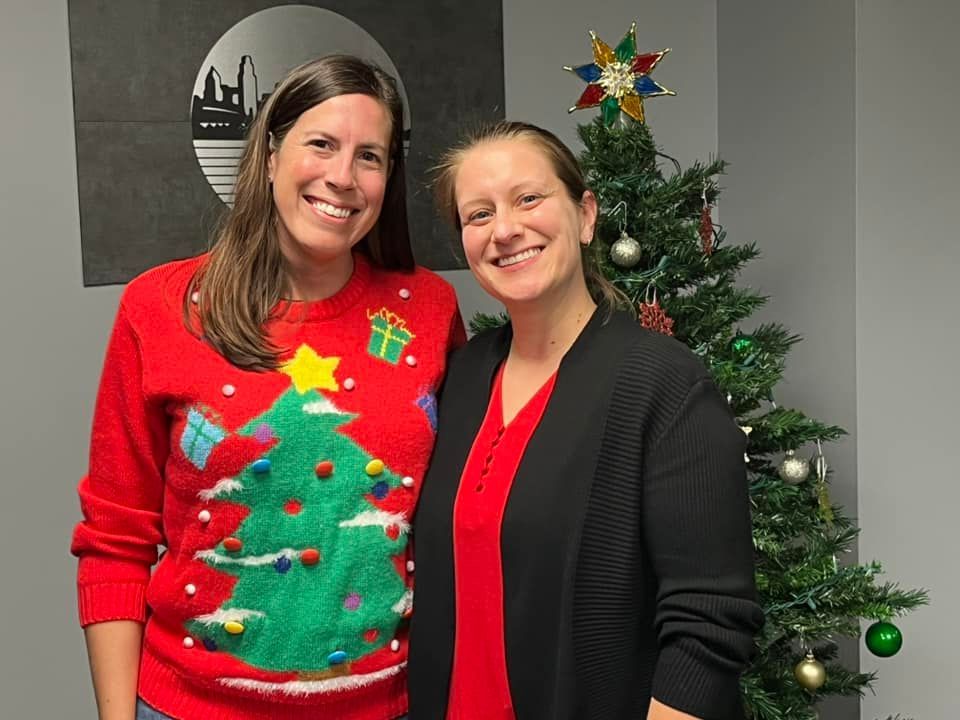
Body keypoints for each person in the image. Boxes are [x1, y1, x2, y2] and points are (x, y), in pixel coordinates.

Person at [71, 55, 464, 720]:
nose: (343, 177)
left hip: (387, 707)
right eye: (321, 144)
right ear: (271, 153)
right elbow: (114, 538)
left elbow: (458, 521)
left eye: (369, 156)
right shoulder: (162, 308)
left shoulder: (426, 311)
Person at [408, 121, 763, 720]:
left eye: (529, 198)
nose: (506, 229)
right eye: (478, 214)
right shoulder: (462, 378)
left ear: (585, 214)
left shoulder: (663, 383)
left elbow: (710, 625)